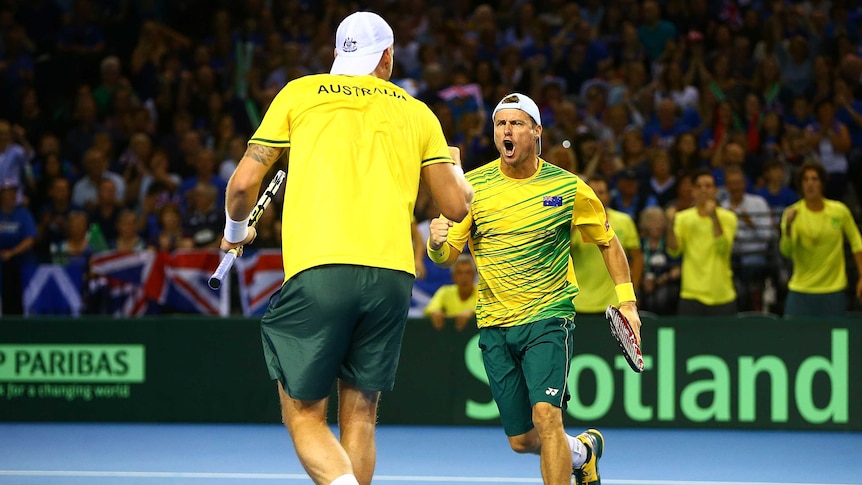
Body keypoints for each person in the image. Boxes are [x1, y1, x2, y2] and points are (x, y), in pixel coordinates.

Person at [219, 12, 473, 485]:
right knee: (360, 418)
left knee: (304, 416)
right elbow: (457, 207)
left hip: (321, 271)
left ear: (338, 54)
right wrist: (460, 177)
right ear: (388, 57)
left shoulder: (299, 94)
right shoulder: (419, 113)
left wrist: (236, 233)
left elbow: (243, 185)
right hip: (392, 277)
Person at [426, 93, 641, 485]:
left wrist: (627, 301)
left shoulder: (568, 188)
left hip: (548, 317)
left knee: (547, 417)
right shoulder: (471, 187)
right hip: (495, 322)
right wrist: (437, 242)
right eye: (500, 124)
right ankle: (584, 452)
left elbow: (608, 241)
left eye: (517, 123)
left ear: (537, 131)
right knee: (523, 441)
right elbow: (446, 256)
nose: (507, 131)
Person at [780, 161, 862, 317]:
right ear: (801, 185)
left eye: (815, 179)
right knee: (795, 339)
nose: (810, 184)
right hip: (801, 290)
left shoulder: (839, 211)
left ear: (822, 183)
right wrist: (788, 228)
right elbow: (786, 251)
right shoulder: (791, 213)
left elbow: (857, 242)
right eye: (806, 179)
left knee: (838, 340)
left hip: (833, 291)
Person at [666, 169, 738, 316]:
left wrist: (714, 218)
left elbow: (723, 249)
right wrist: (670, 225)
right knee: (688, 339)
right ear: (692, 191)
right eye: (698, 186)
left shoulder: (729, 218)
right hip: (691, 294)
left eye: (708, 186)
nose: (703, 190)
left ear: (715, 190)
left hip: (722, 294)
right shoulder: (682, 218)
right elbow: (674, 250)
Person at [570, 175, 644, 314]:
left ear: (609, 196)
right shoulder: (572, 223)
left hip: (614, 303)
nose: (596, 197)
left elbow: (637, 258)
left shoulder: (624, 221)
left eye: (602, 192)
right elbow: (561, 251)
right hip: (578, 302)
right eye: (592, 192)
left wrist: (631, 294)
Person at [424, 253, 478, 330]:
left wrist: (473, 313)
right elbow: (429, 309)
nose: (464, 277)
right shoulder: (445, 291)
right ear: (453, 276)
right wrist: (435, 312)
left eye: (468, 273)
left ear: (473, 275)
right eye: (460, 273)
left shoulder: (482, 292)